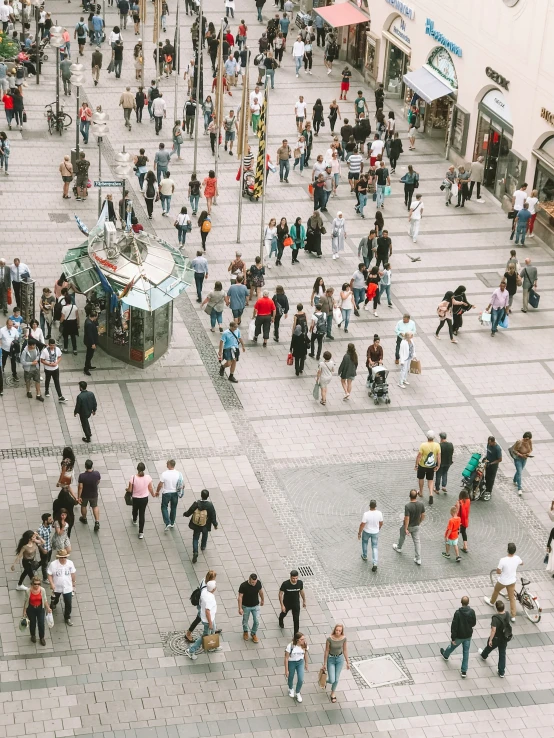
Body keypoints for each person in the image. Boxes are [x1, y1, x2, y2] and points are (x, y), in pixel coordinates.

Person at [439, 596, 476, 678]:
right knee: (466, 653)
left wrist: (453, 638)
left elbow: (454, 626)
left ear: (461, 602)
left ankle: (445, 654)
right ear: (468, 603)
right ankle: (464, 671)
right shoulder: (472, 612)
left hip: (459, 636)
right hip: (468, 635)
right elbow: (473, 623)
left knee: (452, 646)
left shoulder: (458, 613)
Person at [484, 542, 523, 621]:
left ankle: (491, 602)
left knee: (496, 590)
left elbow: (498, 571)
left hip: (503, 581)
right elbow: (522, 563)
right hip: (512, 581)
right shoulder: (517, 558)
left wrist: (504, 572)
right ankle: (513, 616)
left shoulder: (503, 560)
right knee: (512, 597)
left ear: (507, 550)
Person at [185, 580, 218, 660]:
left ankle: (213, 645)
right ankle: (191, 650)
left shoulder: (205, 593)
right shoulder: (209, 598)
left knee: (214, 628)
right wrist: (210, 622)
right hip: (207, 620)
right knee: (205, 635)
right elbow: (207, 611)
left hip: (209, 618)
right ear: (213, 589)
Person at [183, 489, 218, 563]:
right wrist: (215, 524)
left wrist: (185, 514)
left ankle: (195, 552)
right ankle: (203, 546)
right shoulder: (210, 505)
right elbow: (213, 515)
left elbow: (190, 511)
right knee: (205, 534)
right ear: (208, 496)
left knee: (195, 538)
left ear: (201, 495)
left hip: (196, 524)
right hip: (205, 524)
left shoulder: (196, 503)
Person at [478, 600, 511, 678]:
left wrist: (490, 639)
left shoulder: (495, 618)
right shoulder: (507, 614)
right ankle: (501, 672)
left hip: (496, 638)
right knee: (502, 654)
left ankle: (484, 655)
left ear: (496, 608)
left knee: (489, 646)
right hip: (504, 637)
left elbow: (493, 630)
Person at [393, 489, 425, 566]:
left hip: (409, 526)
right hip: (416, 525)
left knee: (402, 534)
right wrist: (419, 522)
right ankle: (418, 558)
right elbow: (423, 515)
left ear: (409, 496)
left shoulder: (408, 506)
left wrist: (406, 528)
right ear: (416, 496)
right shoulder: (421, 504)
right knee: (417, 542)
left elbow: (407, 518)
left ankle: (399, 547)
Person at [127, 462, 156, 540]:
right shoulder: (148, 477)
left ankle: (134, 519)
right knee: (142, 513)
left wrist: (127, 489)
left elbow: (130, 489)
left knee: (135, 509)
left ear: (137, 469)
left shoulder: (133, 477)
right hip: (144, 498)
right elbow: (150, 488)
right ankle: (141, 532)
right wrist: (153, 494)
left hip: (135, 498)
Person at [47, 548, 76, 626]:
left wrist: (73, 583)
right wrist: (52, 583)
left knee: (68, 603)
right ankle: (53, 605)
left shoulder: (70, 563)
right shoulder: (53, 564)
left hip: (68, 587)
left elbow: (73, 574)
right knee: (55, 598)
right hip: (57, 587)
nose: (63, 559)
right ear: (58, 557)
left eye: (64, 557)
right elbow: (49, 574)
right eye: (61, 557)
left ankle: (67, 617)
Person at [23, 576, 51, 646]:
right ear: (32, 584)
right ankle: (33, 635)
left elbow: (45, 600)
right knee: (32, 623)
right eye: (35, 584)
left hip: (40, 609)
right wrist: (24, 611)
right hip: (31, 609)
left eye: (38, 584)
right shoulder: (28, 591)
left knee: (41, 623)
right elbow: (26, 601)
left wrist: (48, 608)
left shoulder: (42, 590)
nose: (37, 585)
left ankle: (42, 638)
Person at [156, 459, 183, 531]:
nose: (166, 465)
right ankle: (172, 522)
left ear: (169, 465)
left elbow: (160, 484)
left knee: (164, 507)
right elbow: (182, 485)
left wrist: (157, 491)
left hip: (166, 493)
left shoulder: (164, 474)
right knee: (173, 507)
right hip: (175, 493)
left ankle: (167, 522)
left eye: (167, 464)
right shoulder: (179, 474)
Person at [238, 573, 265, 643]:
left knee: (257, 621)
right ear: (249, 579)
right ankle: (245, 631)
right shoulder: (243, 585)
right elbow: (240, 597)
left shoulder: (258, 583)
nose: (254, 584)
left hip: (256, 605)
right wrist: (240, 608)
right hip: (246, 606)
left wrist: (262, 600)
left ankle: (253, 633)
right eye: (253, 582)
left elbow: (261, 592)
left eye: (255, 582)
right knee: (245, 620)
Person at [416, 430, 441, 504]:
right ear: (433, 437)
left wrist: (416, 464)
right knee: (430, 480)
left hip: (422, 465)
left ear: (427, 437)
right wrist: (438, 465)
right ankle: (431, 494)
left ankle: (420, 492)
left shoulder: (423, 445)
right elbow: (439, 457)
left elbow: (419, 456)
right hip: (432, 466)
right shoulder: (437, 445)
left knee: (421, 478)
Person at [358, 500, 383, 571]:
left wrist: (359, 533)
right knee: (374, 546)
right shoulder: (379, 513)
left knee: (365, 542)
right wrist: (379, 528)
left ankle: (365, 555)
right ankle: (375, 563)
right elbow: (381, 522)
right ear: (375, 506)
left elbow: (362, 524)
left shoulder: (366, 514)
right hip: (375, 532)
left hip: (366, 531)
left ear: (369, 506)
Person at [40, 338, 66, 403]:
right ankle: (46, 390)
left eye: (53, 345)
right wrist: (49, 364)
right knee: (47, 380)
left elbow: (60, 357)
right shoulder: (45, 351)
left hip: (55, 368)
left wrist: (56, 363)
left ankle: (60, 396)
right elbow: (42, 360)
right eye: (51, 345)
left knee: (57, 381)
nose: (52, 347)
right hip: (48, 369)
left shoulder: (57, 349)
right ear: (48, 345)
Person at [77, 459, 101, 531]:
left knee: (83, 506)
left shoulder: (82, 476)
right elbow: (98, 481)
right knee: (95, 506)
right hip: (94, 494)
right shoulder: (97, 473)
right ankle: (97, 521)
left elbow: (80, 487)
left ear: (85, 466)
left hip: (84, 495)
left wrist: (79, 497)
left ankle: (84, 518)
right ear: (92, 466)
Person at [285, 632, 309, 703]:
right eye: (302, 639)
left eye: (304, 639)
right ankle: (290, 688)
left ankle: (298, 692)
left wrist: (306, 663)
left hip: (300, 662)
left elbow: (305, 654)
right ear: (297, 640)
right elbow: (286, 658)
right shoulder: (291, 646)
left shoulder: (304, 645)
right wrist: (286, 670)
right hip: (291, 662)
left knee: (301, 679)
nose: (304, 640)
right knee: (291, 676)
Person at [511, 431, 533, 496]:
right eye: (526, 439)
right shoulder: (519, 442)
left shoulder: (530, 441)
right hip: (518, 459)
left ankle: (515, 479)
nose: (527, 440)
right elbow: (514, 450)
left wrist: (528, 453)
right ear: (524, 437)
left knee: (519, 471)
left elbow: (531, 449)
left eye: (528, 439)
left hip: (525, 458)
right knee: (520, 473)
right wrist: (520, 454)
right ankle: (519, 488)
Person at [483, 436, 502, 501]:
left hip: (493, 466)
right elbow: (488, 453)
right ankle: (486, 488)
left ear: (493, 442)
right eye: (488, 443)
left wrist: (491, 463)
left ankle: (489, 492)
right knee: (486, 477)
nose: (489, 444)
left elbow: (500, 459)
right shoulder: (488, 444)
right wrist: (485, 458)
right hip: (487, 463)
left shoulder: (497, 449)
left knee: (491, 479)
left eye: (490, 443)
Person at [83, 311, 98, 376]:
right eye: (96, 316)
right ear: (94, 316)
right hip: (90, 342)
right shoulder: (89, 324)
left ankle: (89, 365)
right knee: (89, 355)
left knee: (89, 354)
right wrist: (93, 344)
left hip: (89, 341)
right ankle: (86, 368)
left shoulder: (88, 321)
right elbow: (90, 335)